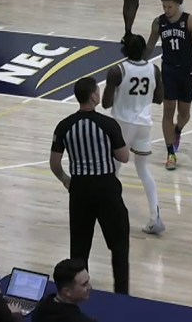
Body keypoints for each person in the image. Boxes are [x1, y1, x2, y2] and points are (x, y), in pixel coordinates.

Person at [48, 78, 130, 295]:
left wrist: (66, 179)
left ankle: (77, 290)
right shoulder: (108, 124)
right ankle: (122, 294)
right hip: (106, 188)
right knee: (119, 245)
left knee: (79, 247)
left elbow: (54, 163)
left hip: (80, 190)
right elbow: (124, 157)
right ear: (94, 96)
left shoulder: (64, 125)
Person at [102, 35, 165, 235]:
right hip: (144, 124)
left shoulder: (117, 71)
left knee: (114, 170)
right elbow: (159, 98)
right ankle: (155, 217)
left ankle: (111, 215)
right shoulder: (154, 69)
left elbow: (105, 103)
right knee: (144, 170)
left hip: (122, 124)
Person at [143, 0, 192, 171]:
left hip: (186, 72)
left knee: (184, 114)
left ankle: (177, 131)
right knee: (167, 111)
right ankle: (170, 153)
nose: (167, 10)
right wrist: (137, 60)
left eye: (170, 6)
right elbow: (149, 46)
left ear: (178, 5)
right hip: (168, 71)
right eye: (164, 6)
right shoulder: (158, 23)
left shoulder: (190, 21)